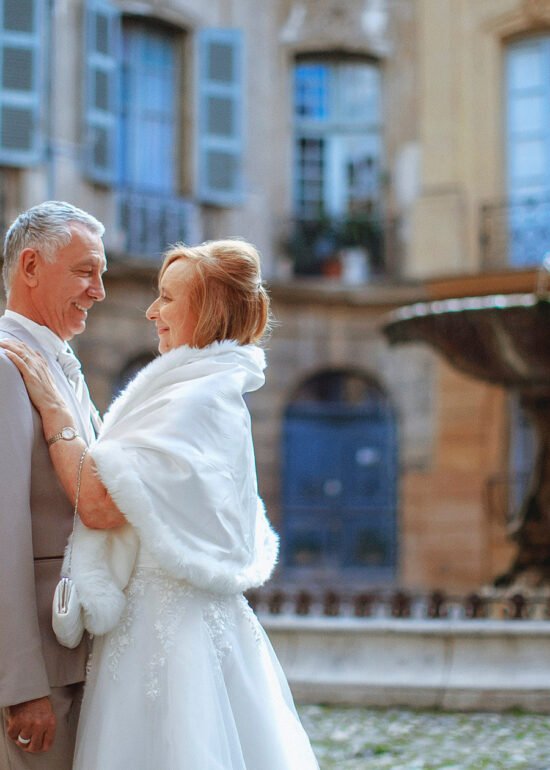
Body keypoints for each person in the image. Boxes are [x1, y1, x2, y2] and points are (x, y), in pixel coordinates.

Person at [0, 239, 320, 769]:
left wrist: (55, 410)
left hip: (166, 640)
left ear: (208, 310)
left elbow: (101, 505)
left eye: (168, 298)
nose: (152, 310)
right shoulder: (203, 390)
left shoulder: (194, 399)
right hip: (159, 629)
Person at [0, 201, 106, 768]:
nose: (99, 291)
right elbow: (2, 531)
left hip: (80, 655)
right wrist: (20, 684)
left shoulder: (57, 363)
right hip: (42, 671)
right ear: (32, 267)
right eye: (86, 271)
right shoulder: (5, 365)